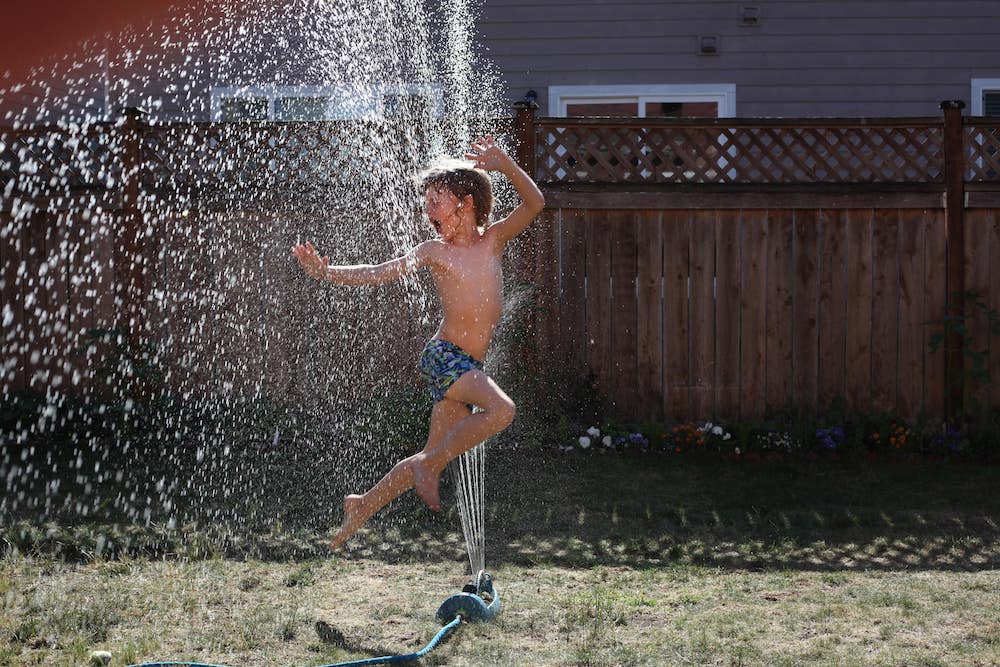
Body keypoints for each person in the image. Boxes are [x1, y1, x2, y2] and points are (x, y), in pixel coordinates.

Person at [290, 135, 544, 550]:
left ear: (465, 202)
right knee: (502, 411)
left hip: (467, 365)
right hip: (445, 358)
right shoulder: (434, 251)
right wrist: (327, 272)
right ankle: (431, 466)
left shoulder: (493, 240)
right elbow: (379, 270)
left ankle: (361, 506)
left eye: (436, 200)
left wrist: (508, 166)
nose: (428, 210)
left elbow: (536, 204)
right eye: (426, 202)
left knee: (428, 454)